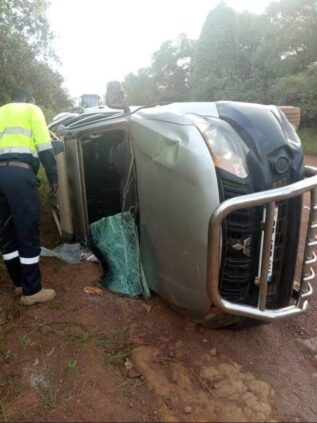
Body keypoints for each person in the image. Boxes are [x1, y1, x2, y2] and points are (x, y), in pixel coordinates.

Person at [0, 88, 58, 305]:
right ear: (28, 99)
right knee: (27, 231)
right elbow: (44, 145)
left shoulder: (0, 112)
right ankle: (32, 291)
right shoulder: (32, 110)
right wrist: (53, 176)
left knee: (7, 232)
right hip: (19, 175)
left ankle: (19, 284)